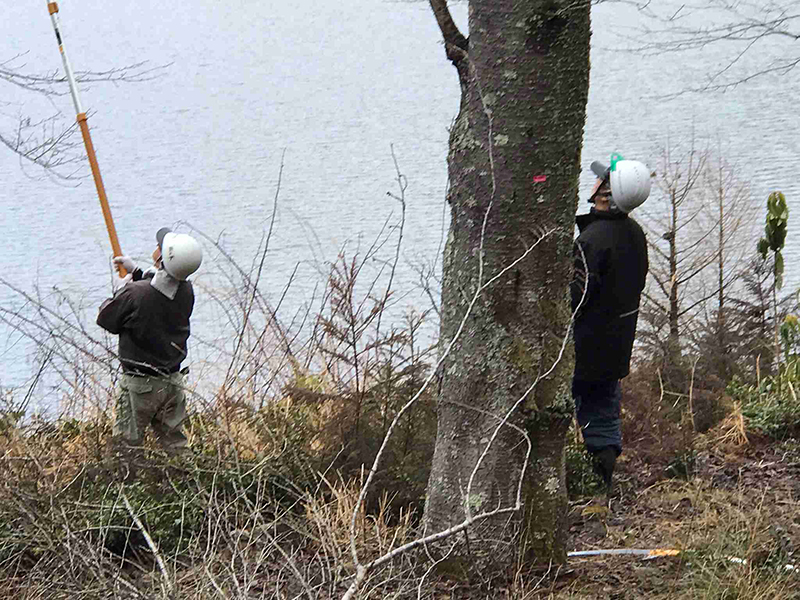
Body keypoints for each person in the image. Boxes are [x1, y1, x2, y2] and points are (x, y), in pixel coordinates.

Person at [570, 155, 650, 495]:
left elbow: (574, 297)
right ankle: (600, 490)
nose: (595, 183)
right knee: (603, 416)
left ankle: (584, 489)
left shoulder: (591, 242)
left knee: (582, 414)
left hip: (584, 347)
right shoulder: (635, 234)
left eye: (601, 180)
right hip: (616, 346)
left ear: (606, 193)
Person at [97, 227, 202, 458]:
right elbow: (160, 290)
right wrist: (137, 273)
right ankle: (192, 487)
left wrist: (120, 291)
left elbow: (107, 320)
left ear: (163, 261)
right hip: (173, 383)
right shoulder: (186, 290)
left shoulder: (135, 294)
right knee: (177, 448)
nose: (155, 249)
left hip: (140, 387)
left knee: (125, 451)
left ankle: (126, 491)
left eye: (159, 248)